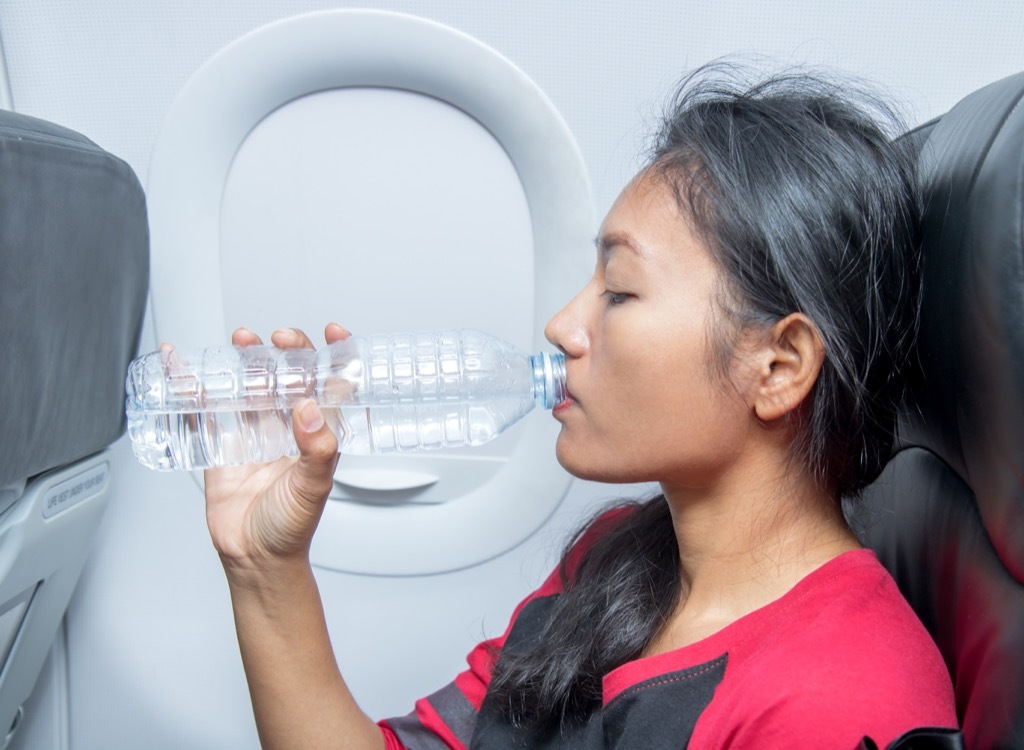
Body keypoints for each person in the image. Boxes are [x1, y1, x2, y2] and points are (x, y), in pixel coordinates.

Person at [203, 64, 959, 748]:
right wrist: (266, 567)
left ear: (778, 364)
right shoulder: (616, 560)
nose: (564, 327)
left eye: (620, 292)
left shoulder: (840, 702)